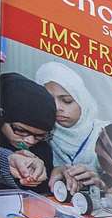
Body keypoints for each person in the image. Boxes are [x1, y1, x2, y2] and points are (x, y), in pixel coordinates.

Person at [34, 62, 105, 194]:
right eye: (49, 101)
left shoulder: (105, 135)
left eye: (66, 101)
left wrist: (101, 184)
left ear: (83, 100)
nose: (57, 108)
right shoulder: (37, 133)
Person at [0, 73, 56, 192]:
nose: (30, 141)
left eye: (40, 135)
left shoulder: (42, 150)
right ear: (0, 117)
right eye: (21, 130)